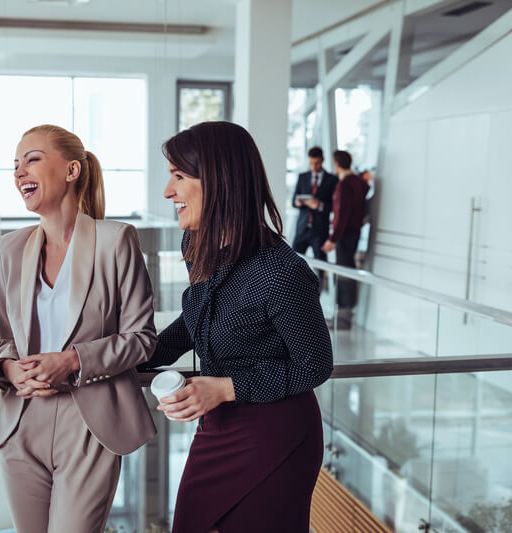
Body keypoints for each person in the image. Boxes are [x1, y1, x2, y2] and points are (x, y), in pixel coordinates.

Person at [142, 121, 334, 533]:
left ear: (218, 180)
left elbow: (315, 365)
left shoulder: (280, 271)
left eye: (178, 176)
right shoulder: (197, 245)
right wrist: (134, 356)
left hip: (277, 435)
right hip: (220, 426)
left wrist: (225, 387)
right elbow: (199, 320)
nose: (167, 191)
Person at [0, 124, 157, 533]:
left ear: (72, 170)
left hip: (90, 420)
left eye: (33, 159)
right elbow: (3, 338)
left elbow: (142, 339)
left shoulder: (117, 241)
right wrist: (9, 369)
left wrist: (74, 360)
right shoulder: (10, 247)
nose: (19, 171)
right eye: (15, 164)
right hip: (20, 419)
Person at [322, 150, 370, 329]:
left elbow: (342, 214)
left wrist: (333, 239)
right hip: (354, 233)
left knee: (344, 273)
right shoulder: (360, 182)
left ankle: (343, 317)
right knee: (348, 270)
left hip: (344, 235)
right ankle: (345, 314)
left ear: (336, 164)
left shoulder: (344, 184)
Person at [291, 146, 338, 286]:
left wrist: (320, 205)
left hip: (319, 230)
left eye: (317, 163)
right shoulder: (302, 177)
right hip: (302, 228)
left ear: (322, 160)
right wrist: (297, 202)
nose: (314, 166)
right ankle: (294, 288)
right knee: (293, 261)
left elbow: (335, 206)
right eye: (311, 163)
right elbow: (294, 200)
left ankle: (318, 295)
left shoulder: (332, 180)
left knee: (320, 266)